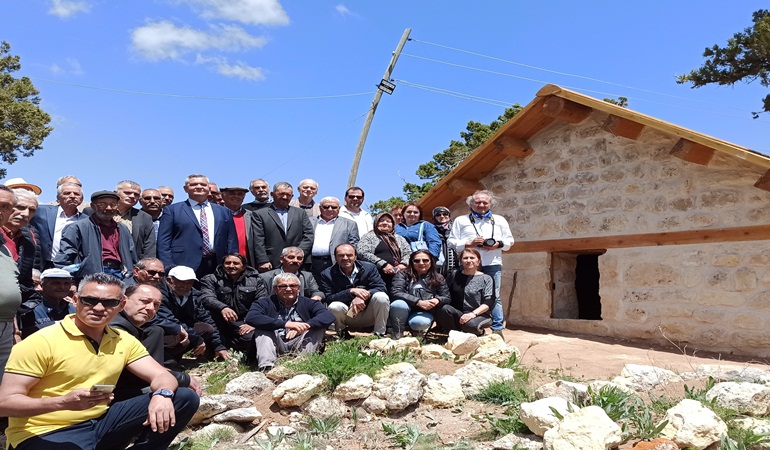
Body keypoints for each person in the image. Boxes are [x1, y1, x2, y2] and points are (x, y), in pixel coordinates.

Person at [0, 273, 199, 450]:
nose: (98, 308)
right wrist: (61, 402)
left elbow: (161, 374)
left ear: (120, 305)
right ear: (76, 300)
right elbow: (4, 403)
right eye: (89, 300)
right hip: (46, 431)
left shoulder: (122, 339)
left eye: (109, 303)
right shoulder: (41, 342)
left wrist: (162, 395)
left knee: (183, 398)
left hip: (100, 422)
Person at [110, 284, 201, 402]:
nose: (150, 308)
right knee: (185, 396)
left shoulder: (129, 324)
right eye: (144, 301)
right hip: (111, 396)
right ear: (124, 301)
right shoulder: (116, 328)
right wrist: (182, 378)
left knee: (156, 330)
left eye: (156, 305)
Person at [447, 190, 514, 334]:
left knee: (494, 296)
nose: (481, 205)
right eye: (478, 202)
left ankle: (497, 330)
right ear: (471, 204)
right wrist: (469, 243)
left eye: (485, 202)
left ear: (490, 204)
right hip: (468, 263)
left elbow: (510, 241)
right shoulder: (461, 220)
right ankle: (463, 324)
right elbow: (451, 242)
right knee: (463, 293)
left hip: (492, 263)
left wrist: (498, 244)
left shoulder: (500, 220)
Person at [245, 272, 334, 372]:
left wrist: (305, 326)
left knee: (318, 327)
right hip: (275, 342)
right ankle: (267, 367)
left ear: (298, 288)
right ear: (275, 289)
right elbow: (251, 317)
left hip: (300, 342)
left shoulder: (309, 302)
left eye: (293, 285)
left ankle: (303, 363)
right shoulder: (264, 302)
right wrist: (286, 324)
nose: (288, 289)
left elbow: (328, 316)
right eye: (282, 286)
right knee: (263, 328)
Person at [157, 174, 237, 278]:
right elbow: (164, 241)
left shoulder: (224, 212)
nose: (199, 187)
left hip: (217, 264)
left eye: (203, 184)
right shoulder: (172, 210)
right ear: (185, 189)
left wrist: (232, 261)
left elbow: (231, 239)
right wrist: (169, 266)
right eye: (194, 184)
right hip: (183, 264)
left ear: (208, 188)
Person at [54, 190, 137, 279]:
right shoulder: (77, 227)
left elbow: (132, 256)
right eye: (103, 204)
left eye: (113, 204)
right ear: (93, 206)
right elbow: (64, 258)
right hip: (91, 275)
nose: (108, 208)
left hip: (120, 274)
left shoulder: (122, 228)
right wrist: (68, 281)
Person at [156, 266, 231, 361]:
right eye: (182, 282)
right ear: (169, 281)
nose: (186, 286)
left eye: (189, 282)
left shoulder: (194, 295)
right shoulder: (159, 295)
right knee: (181, 340)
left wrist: (219, 346)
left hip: (183, 328)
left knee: (207, 328)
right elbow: (170, 320)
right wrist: (197, 339)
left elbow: (206, 317)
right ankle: (165, 360)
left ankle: (177, 357)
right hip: (164, 330)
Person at [199, 253, 269, 352]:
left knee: (252, 338)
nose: (231, 266)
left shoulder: (256, 280)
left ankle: (232, 344)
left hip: (243, 321)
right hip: (218, 320)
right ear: (223, 265)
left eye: (235, 263)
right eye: (228, 263)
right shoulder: (210, 279)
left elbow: (262, 302)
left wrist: (254, 322)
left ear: (244, 266)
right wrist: (223, 307)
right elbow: (207, 297)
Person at [318, 244, 389, 339]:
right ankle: (342, 334)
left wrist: (361, 296)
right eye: (341, 255)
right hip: (348, 314)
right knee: (334, 306)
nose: (345, 258)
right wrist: (350, 292)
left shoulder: (370, 268)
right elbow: (329, 298)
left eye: (349, 255)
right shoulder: (327, 274)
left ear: (355, 256)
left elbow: (381, 287)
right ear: (335, 257)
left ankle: (379, 334)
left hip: (369, 312)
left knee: (381, 296)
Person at [248, 182, 314, 273]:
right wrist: (263, 260)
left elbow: (309, 235)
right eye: (281, 194)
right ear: (272, 194)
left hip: (297, 263)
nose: (285, 197)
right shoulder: (260, 214)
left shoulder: (300, 213)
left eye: (288, 194)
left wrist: (297, 254)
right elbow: (258, 239)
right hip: (271, 262)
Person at [389, 250, 450, 339]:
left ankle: (417, 332)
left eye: (425, 260)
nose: (421, 263)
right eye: (417, 261)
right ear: (411, 262)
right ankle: (398, 332)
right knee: (397, 304)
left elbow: (447, 297)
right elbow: (396, 292)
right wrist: (418, 301)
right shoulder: (402, 274)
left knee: (419, 323)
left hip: (425, 311)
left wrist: (437, 300)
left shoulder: (438, 277)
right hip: (406, 307)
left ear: (431, 262)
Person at [435, 249, 494, 336]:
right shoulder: (454, 275)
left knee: (470, 325)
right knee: (443, 309)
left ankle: (479, 332)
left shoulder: (486, 278)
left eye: (472, 258)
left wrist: (473, 314)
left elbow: (489, 301)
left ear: (478, 261)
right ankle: (455, 334)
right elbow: (444, 293)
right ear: (461, 261)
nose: (468, 260)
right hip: (458, 313)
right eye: (465, 258)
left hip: (479, 314)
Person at [29, 182, 85, 269]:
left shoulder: (87, 220)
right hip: (42, 264)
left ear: (81, 199)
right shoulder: (40, 211)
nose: (72, 196)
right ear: (58, 198)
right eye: (67, 193)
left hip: (71, 266)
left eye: (76, 194)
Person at [2, 188, 42, 298]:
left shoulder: (28, 244)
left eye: (32, 210)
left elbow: (24, 282)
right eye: (20, 207)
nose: (25, 214)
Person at [356, 212, 411, 291]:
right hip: (376, 275)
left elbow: (408, 253)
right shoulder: (368, 237)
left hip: (398, 274)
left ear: (393, 224)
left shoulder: (399, 238)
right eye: (381, 221)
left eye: (388, 221)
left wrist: (402, 265)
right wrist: (383, 264)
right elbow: (362, 252)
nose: (385, 223)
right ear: (376, 223)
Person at [16, 268, 75, 339]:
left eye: (66, 283)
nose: (62, 287)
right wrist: (59, 324)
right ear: (42, 285)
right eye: (56, 283)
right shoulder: (30, 307)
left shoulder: (71, 307)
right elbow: (24, 333)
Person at [0, 185, 21, 381]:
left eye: (5, 206)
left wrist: (15, 329)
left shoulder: (6, 245)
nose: (0, 210)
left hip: (6, 325)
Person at [309, 196, 359, 277]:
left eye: (333, 207)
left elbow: (354, 245)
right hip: (312, 262)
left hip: (336, 263)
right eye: (326, 207)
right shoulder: (309, 221)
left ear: (339, 208)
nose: (329, 209)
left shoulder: (349, 224)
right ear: (320, 208)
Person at [260, 247, 324, 301]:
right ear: (281, 259)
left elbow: (317, 292)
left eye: (299, 258)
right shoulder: (266, 277)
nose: (295, 261)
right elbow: (262, 299)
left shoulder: (307, 276)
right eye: (291, 257)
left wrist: (316, 297)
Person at [113, 181, 156, 260]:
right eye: (127, 193)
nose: (132, 196)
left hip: (131, 265)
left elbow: (149, 247)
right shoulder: (97, 212)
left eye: (136, 194)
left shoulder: (144, 218)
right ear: (115, 193)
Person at [220, 186, 251, 262]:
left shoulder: (251, 216)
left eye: (240, 194)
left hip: (246, 261)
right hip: (222, 261)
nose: (236, 196)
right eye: (232, 193)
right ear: (223, 196)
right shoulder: (215, 213)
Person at [431, 206, 457, 276]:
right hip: (437, 268)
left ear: (449, 215)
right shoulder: (431, 230)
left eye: (445, 214)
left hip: (455, 266)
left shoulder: (456, 228)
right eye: (438, 215)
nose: (442, 216)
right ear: (434, 217)